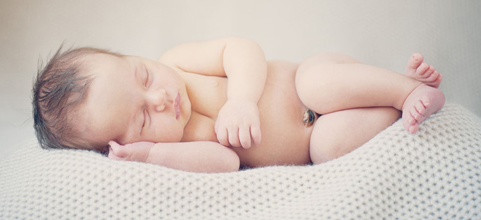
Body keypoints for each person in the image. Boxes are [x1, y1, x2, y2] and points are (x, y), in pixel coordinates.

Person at [33, 37, 445, 173]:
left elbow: (241, 47)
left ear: (137, 59)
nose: (159, 98)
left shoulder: (176, 62)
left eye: (143, 76)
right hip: (315, 136)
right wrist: (153, 154)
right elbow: (226, 162)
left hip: (315, 84)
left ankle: (404, 89)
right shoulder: (176, 142)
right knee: (327, 149)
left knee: (317, 84)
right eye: (142, 118)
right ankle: (395, 112)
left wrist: (242, 100)